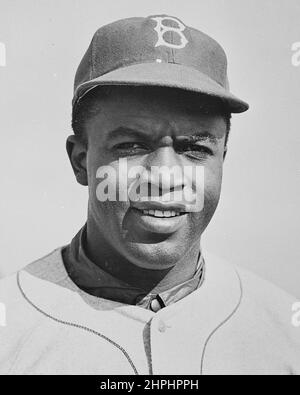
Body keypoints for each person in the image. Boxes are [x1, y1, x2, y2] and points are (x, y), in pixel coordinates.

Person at [0, 15, 299, 375]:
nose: (165, 176)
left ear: (222, 159)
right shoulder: (10, 326)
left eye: (195, 149)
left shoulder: (284, 334)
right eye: (131, 145)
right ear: (81, 161)